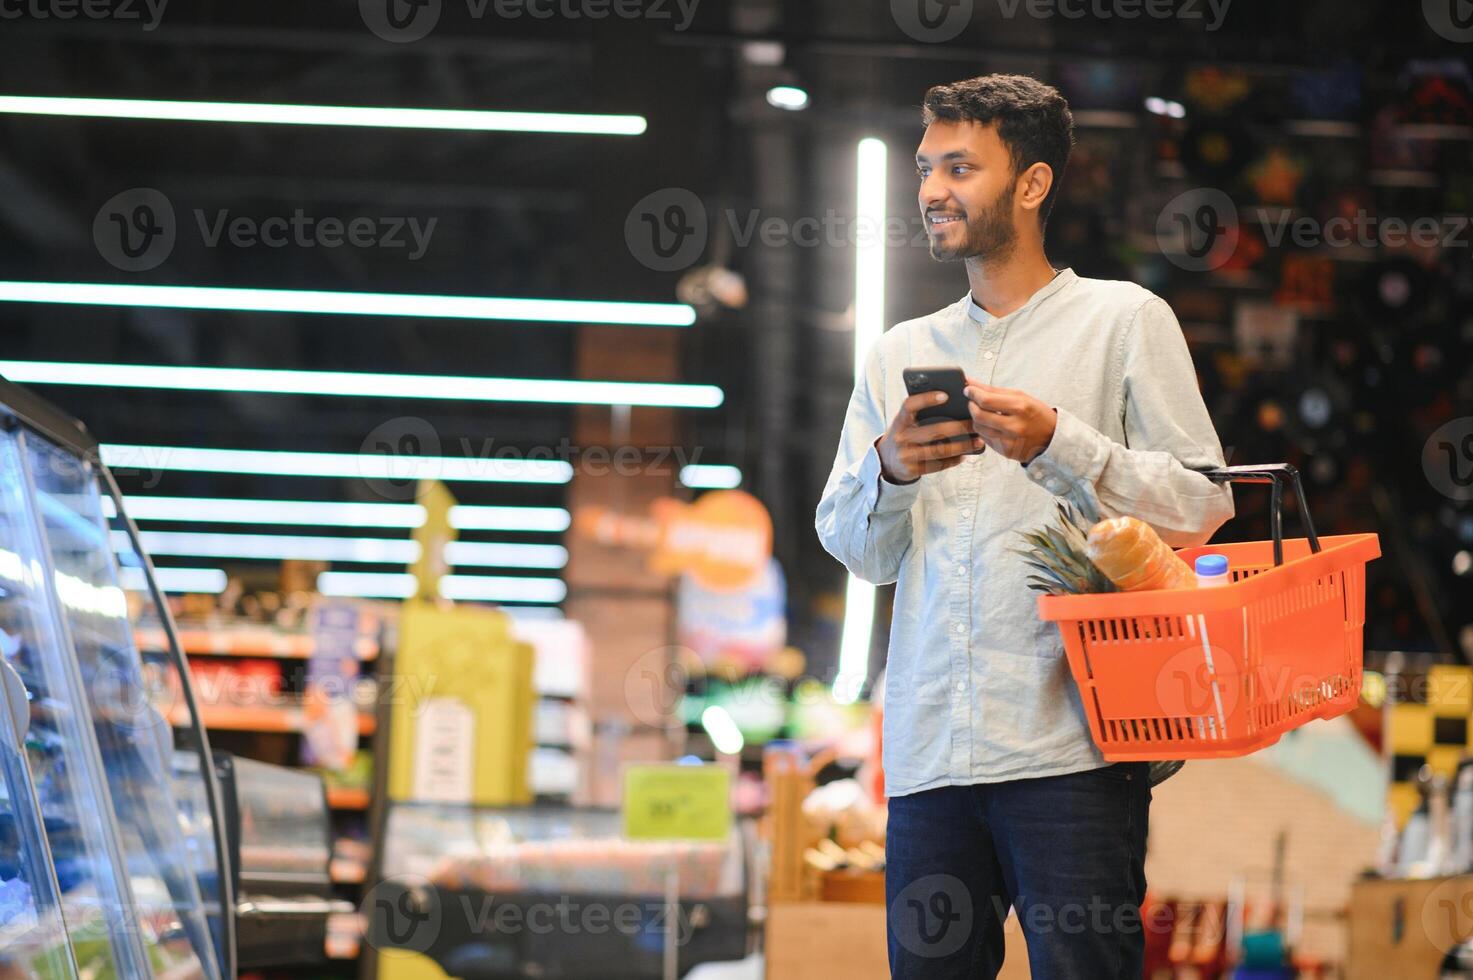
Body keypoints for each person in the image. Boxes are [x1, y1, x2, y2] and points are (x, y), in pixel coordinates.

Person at [815, 73, 1235, 978]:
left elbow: (1204, 504)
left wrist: (1062, 445)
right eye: (926, 168)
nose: (931, 190)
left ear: (1032, 183)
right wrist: (887, 470)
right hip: (929, 760)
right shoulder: (896, 353)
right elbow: (857, 549)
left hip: (1074, 751)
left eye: (960, 167)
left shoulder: (1124, 320)